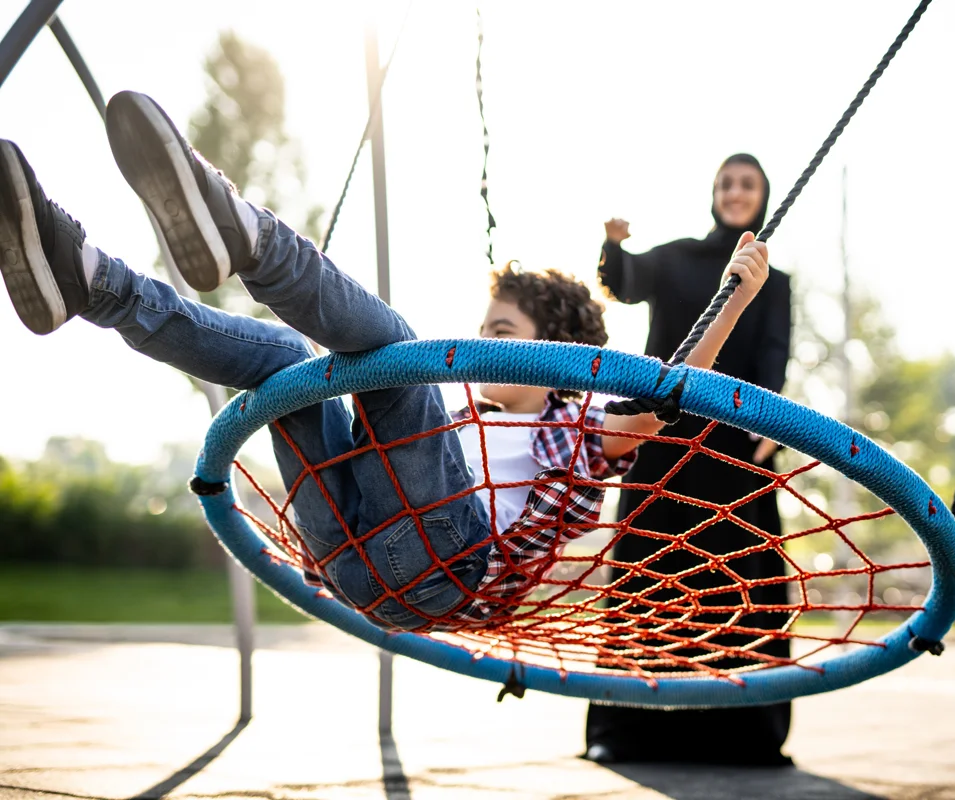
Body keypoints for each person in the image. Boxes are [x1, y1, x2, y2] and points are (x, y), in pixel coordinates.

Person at [0, 91, 770, 631]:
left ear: (558, 358)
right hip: (351, 555)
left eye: (502, 331)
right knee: (283, 364)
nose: (485, 345)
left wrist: (731, 298)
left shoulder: (577, 436)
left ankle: (254, 242)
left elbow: (668, 398)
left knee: (400, 358)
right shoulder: (466, 424)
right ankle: (96, 284)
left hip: (446, 572)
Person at [585, 154, 794, 765]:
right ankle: (625, 731)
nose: (735, 193)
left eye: (747, 184)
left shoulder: (774, 281)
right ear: (713, 194)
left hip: (737, 444)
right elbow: (625, 282)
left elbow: (776, 353)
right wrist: (613, 244)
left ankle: (746, 734)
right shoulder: (676, 256)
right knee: (647, 568)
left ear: (763, 196)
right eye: (726, 183)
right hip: (664, 436)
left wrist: (773, 428)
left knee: (744, 577)